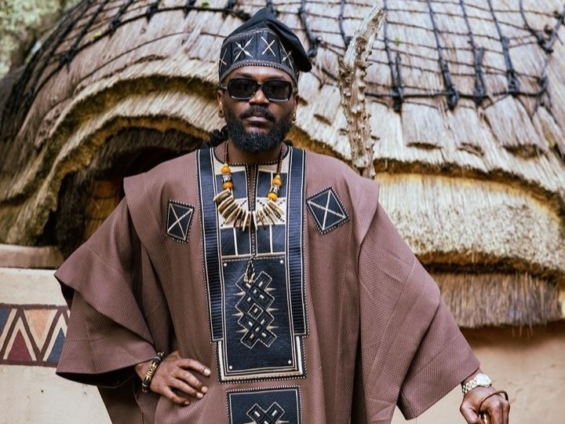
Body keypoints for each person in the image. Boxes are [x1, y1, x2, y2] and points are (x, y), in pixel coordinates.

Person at [55, 8, 510, 424]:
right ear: (220, 99)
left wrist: (474, 382)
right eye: (242, 87)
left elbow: (406, 294)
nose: (258, 99)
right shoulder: (167, 190)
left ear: (294, 103)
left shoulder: (336, 191)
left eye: (275, 89)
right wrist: (147, 366)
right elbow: (97, 280)